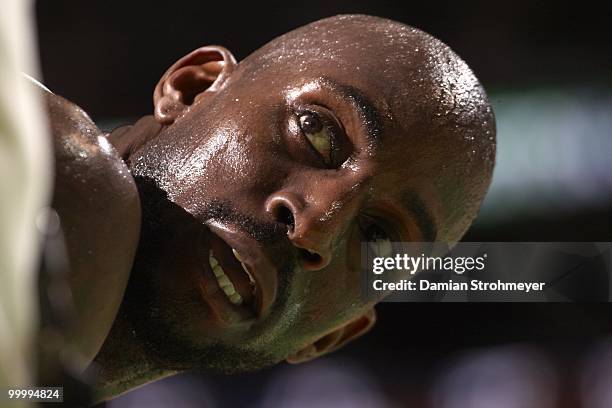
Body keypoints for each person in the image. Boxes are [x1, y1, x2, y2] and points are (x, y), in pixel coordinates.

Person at [41, 14, 495, 400]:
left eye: (377, 237)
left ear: (329, 336)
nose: (316, 224)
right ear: (190, 87)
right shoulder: (49, 163)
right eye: (317, 133)